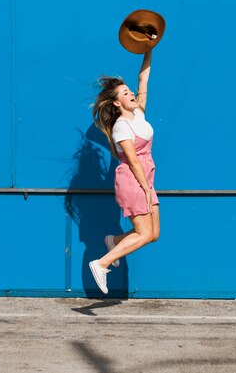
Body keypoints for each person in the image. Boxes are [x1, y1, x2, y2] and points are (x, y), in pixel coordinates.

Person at [89, 50, 160, 294]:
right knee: (143, 234)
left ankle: (114, 241)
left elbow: (144, 79)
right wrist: (146, 189)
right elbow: (132, 160)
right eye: (125, 93)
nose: (131, 93)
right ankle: (101, 263)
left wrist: (149, 48)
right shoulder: (121, 127)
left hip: (146, 177)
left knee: (153, 234)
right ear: (117, 103)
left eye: (130, 91)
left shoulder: (138, 113)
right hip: (133, 179)